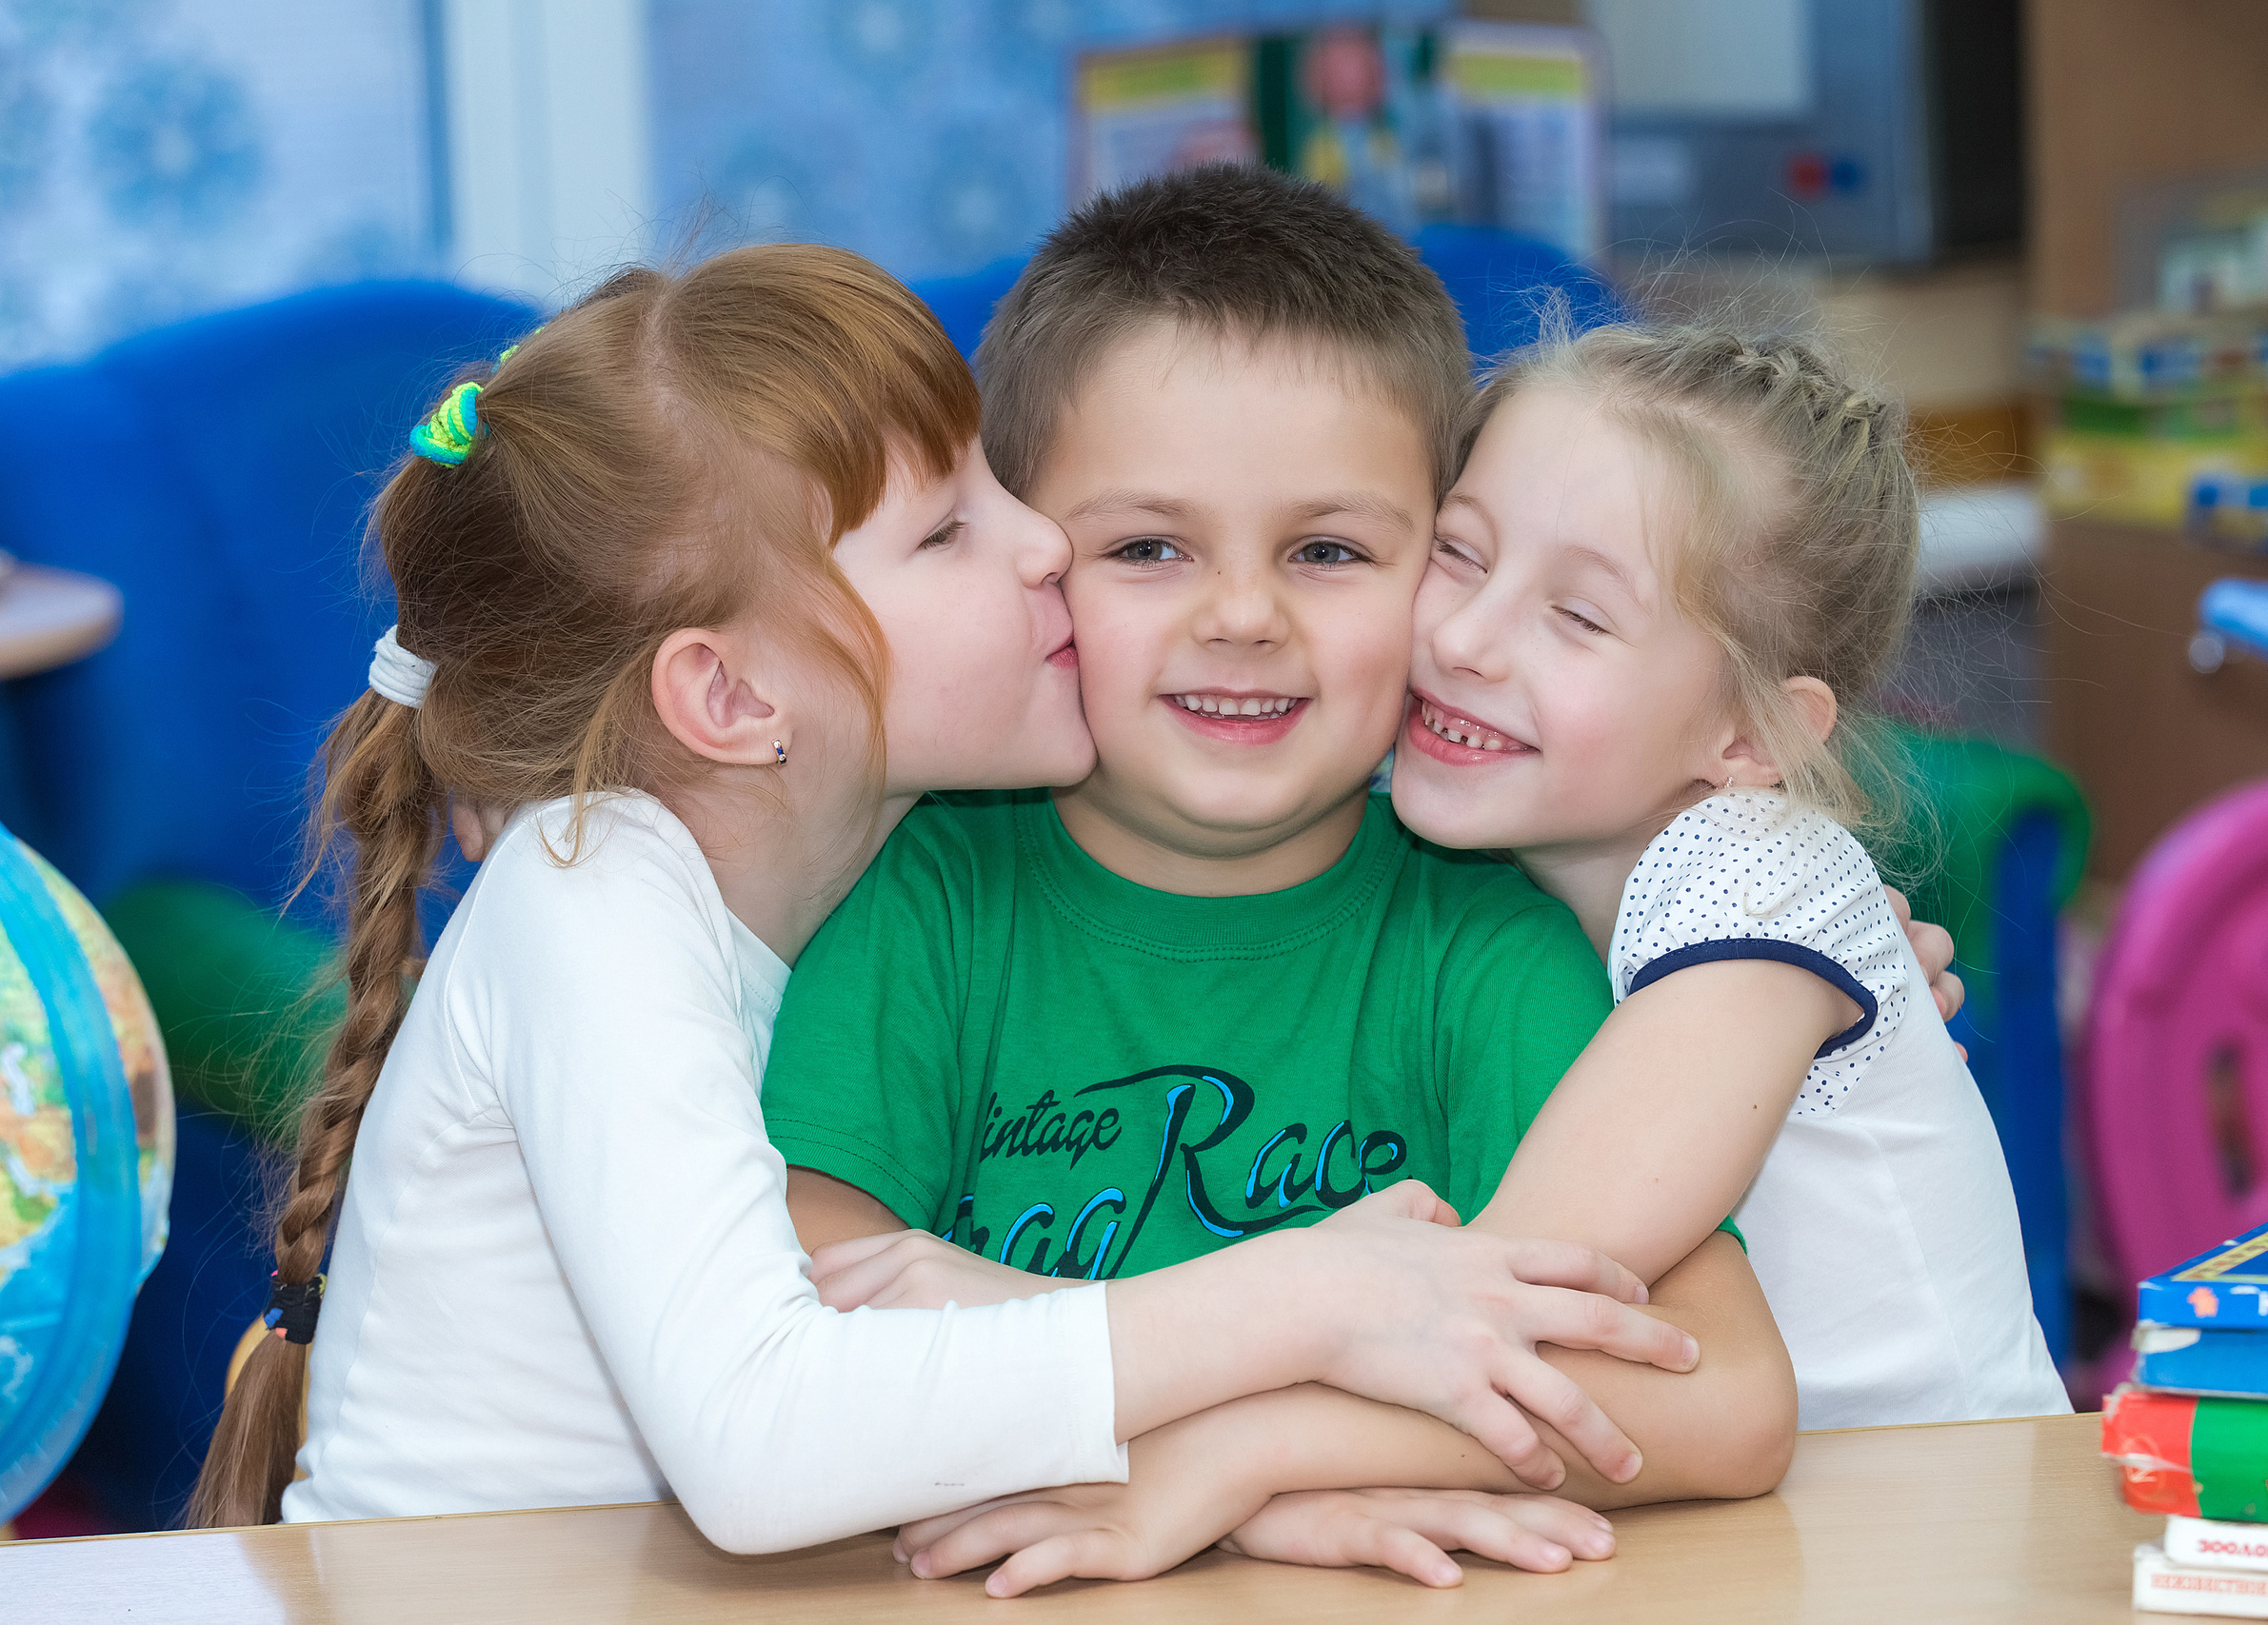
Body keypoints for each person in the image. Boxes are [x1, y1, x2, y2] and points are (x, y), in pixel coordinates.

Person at [185, 246, 1702, 1547]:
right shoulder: (593, 898)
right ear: (727, 694)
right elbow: (766, 1440)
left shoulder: (800, 889)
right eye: (950, 528)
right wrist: (1311, 1297)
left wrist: (1720, 933)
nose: (1047, 539)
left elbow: (890, 1407)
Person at [766, 166, 1964, 1595]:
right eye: (1147, 547)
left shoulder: (1491, 935)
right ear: (1033, 557)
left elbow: (1709, 1392)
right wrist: (1262, 1464)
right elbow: (791, 1350)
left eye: (1329, 550)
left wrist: (1207, 1458)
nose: (1242, 616)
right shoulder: (927, 891)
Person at [1391, 324, 2072, 1430]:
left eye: (1577, 615)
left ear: (1751, 737)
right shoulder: (1509, 841)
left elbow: (1517, 1283)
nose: (1464, 636)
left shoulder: (1758, 872)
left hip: (1938, 1541)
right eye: (1458, 551)